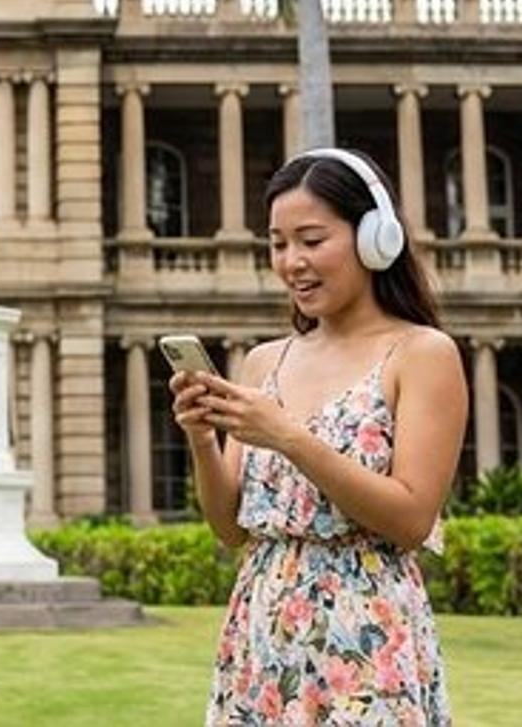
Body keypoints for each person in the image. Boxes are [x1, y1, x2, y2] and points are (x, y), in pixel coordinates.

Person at [172, 148, 466, 725]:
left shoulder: (422, 354)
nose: (292, 262)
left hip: (365, 635)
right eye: (279, 244)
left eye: (311, 240)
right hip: (261, 631)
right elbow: (231, 528)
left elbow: (410, 518)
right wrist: (203, 439)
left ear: (374, 238)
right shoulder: (263, 363)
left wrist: (287, 436)